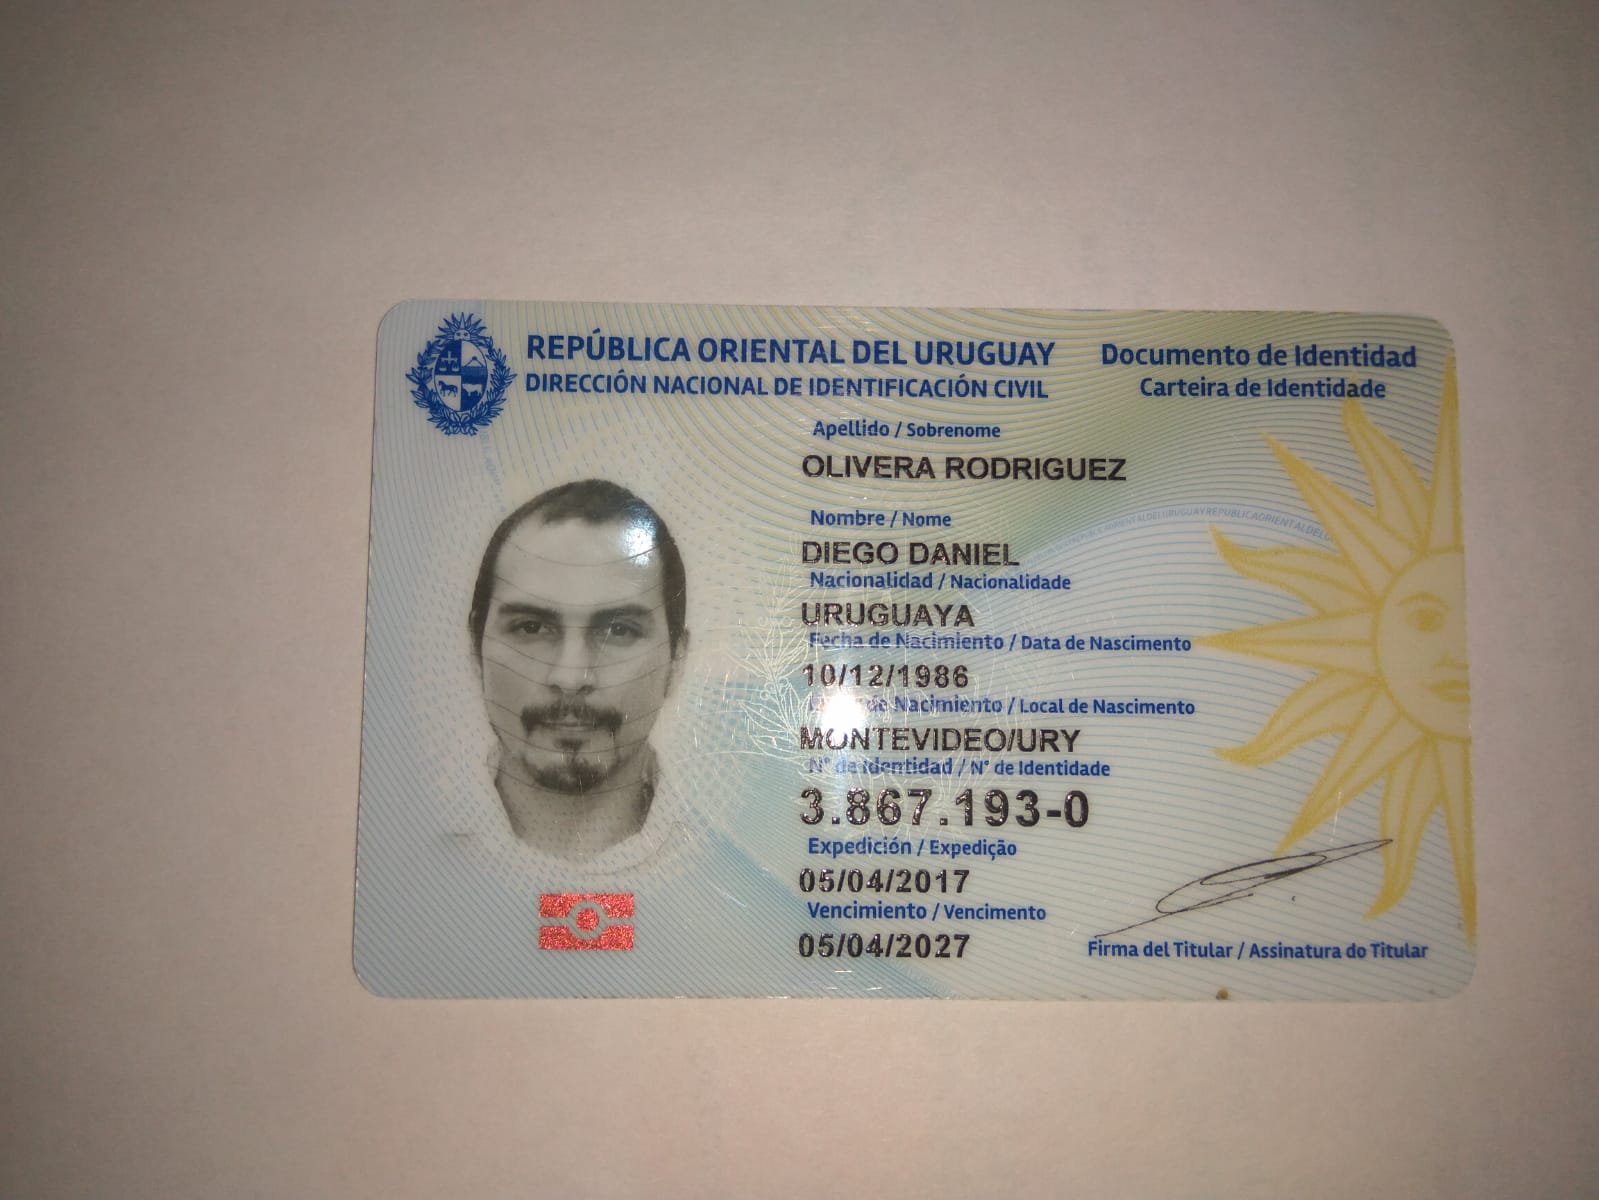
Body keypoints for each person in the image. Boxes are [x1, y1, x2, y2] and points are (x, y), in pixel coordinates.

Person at [469, 480, 689, 859]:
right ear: (475, 648)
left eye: (619, 630)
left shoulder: (727, 860)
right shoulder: (403, 850)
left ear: (676, 660)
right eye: (531, 628)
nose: (571, 677)